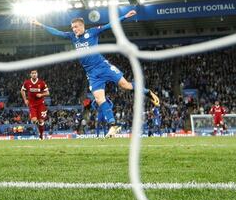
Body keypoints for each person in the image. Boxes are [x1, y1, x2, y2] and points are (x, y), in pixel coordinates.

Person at [31, 10, 159, 138]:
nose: (74, 29)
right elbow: (56, 32)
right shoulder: (72, 36)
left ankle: (148, 92)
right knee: (99, 99)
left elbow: (110, 25)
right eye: (72, 28)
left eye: (76, 27)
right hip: (92, 73)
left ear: (82, 26)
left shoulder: (92, 32)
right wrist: (41, 25)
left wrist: (124, 16)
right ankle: (113, 126)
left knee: (125, 85)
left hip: (103, 67)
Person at [20, 70, 49, 140]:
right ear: (30, 75)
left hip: (40, 104)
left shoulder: (41, 82)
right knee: (34, 120)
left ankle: (41, 135)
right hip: (32, 104)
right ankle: (38, 126)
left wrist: (41, 94)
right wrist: (25, 100)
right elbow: (22, 90)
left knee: (41, 121)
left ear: (37, 74)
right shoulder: (27, 82)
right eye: (32, 73)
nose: (34, 75)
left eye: (35, 73)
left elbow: (47, 92)